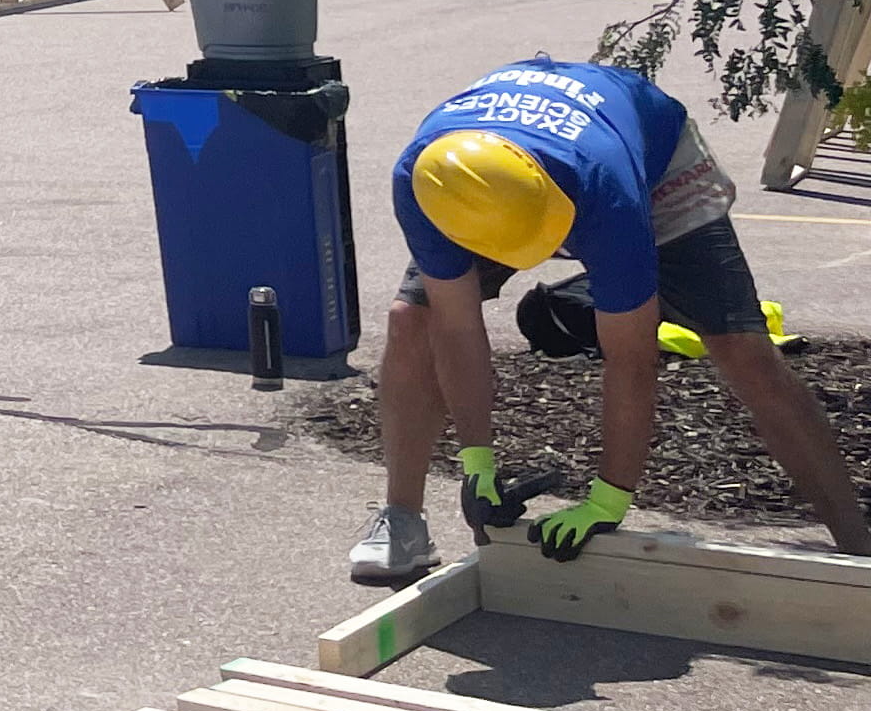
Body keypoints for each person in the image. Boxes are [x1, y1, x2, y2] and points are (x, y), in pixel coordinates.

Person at [353, 56, 871, 578]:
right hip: (488, 181)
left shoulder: (611, 192)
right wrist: (477, 464)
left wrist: (609, 499)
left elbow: (631, 357)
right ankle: (402, 521)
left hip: (648, 165)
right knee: (412, 319)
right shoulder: (422, 181)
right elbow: (457, 329)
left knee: (743, 351)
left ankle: (857, 546)